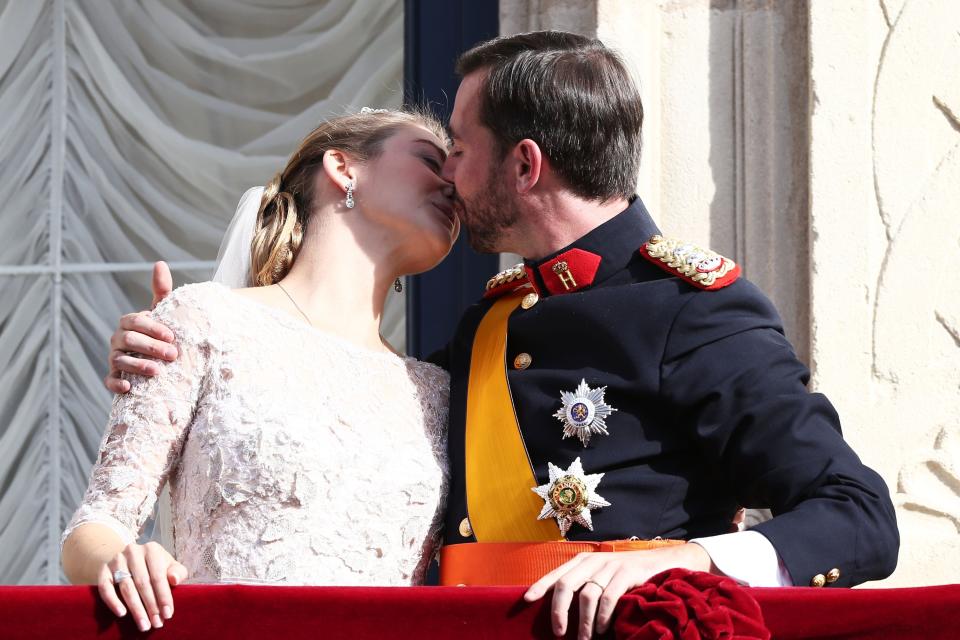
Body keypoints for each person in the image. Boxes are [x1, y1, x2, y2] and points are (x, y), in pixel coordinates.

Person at [106, 31, 899, 640]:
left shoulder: (692, 309)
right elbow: (336, 419)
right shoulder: (489, 323)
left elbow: (860, 515)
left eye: (456, 147)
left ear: (524, 165)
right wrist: (197, 356)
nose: (447, 173)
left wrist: (688, 562)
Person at [62, 108, 458, 633]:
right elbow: (96, 525)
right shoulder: (205, 320)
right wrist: (123, 561)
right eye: (432, 161)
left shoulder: (437, 391)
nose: (452, 184)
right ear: (343, 167)